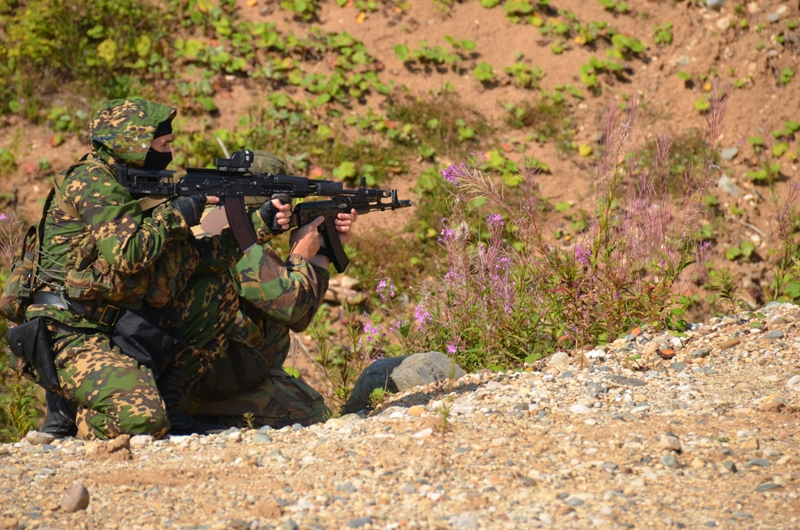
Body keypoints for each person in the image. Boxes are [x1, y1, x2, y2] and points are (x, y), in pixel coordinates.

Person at [28, 100, 288, 440]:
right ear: (134, 143)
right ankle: (82, 423)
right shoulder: (91, 182)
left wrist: (258, 224)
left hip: (114, 321)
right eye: (163, 144)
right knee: (144, 422)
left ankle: (170, 404)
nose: (170, 151)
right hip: (69, 330)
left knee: (214, 288)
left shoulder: (133, 186)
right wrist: (180, 212)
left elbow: (195, 258)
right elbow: (128, 254)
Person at [188, 152, 357, 428]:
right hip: (202, 377)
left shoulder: (205, 220)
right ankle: (207, 415)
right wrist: (303, 255)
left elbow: (290, 312)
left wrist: (324, 248)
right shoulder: (232, 232)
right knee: (314, 411)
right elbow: (294, 308)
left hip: (203, 364)